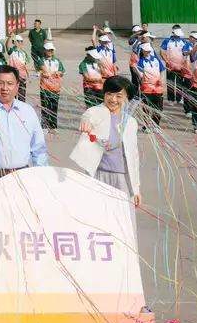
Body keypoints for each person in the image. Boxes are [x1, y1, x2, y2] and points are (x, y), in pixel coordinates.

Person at [69, 75, 142, 206]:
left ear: (127, 98)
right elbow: (87, 116)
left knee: (122, 219)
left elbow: (134, 156)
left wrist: (136, 188)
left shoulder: (131, 122)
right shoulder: (96, 112)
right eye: (109, 94)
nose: (113, 100)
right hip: (99, 175)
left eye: (119, 96)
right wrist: (86, 123)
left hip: (123, 178)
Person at [136, 42, 165, 125]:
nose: (148, 52)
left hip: (158, 88)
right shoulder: (141, 61)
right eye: (146, 50)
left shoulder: (156, 59)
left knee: (158, 108)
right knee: (147, 108)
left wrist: (161, 78)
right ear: (142, 51)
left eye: (149, 50)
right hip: (147, 89)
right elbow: (141, 75)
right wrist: (136, 68)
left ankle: (156, 124)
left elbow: (162, 70)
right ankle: (147, 125)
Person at [38, 41, 64, 130]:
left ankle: (53, 126)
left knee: (54, 108)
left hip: (55, 88)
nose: (50, 52)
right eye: (48, 50)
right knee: (45, 107)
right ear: (45, 50)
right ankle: (45, 126)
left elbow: (61, 71)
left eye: (51, 50)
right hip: (45, 87)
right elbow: (45, 71)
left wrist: (57, 73)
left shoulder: (57, 61)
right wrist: (54, 73)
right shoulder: (41, 60)